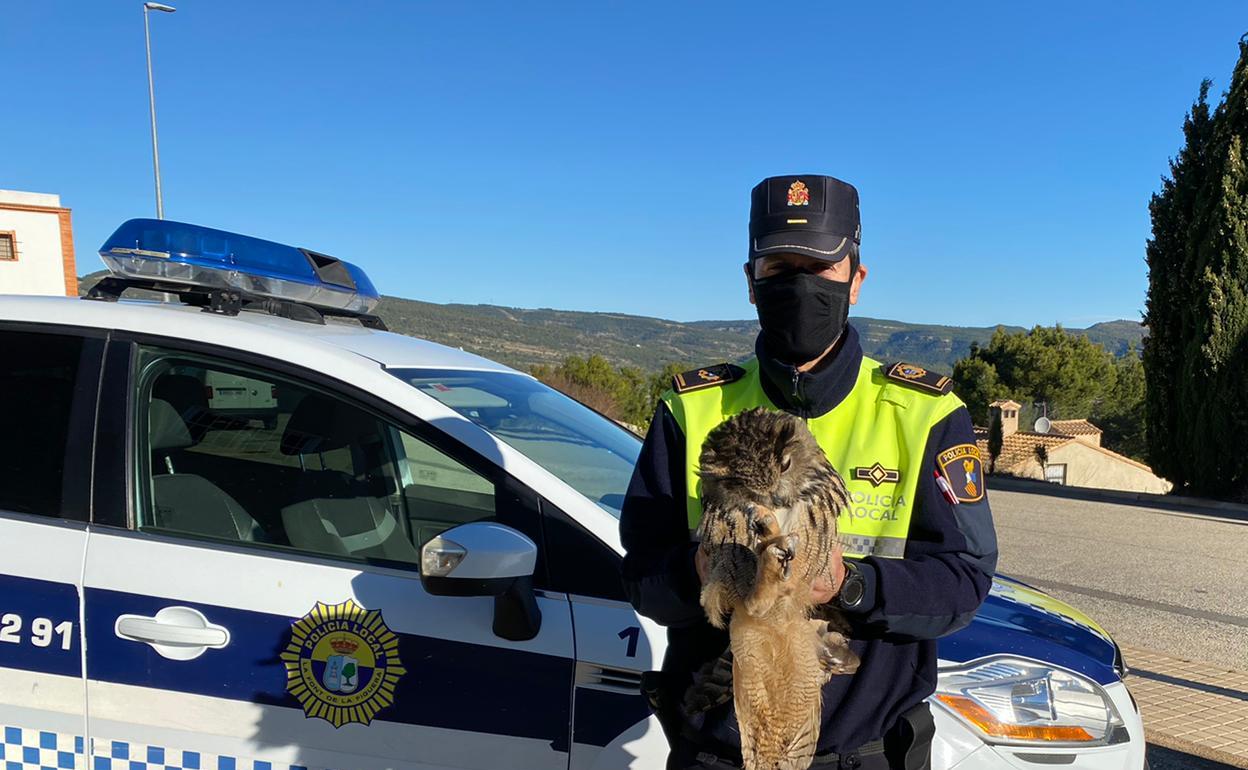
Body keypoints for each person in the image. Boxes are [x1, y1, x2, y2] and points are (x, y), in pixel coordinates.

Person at [620, 175, 998, 770]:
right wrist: (703, 569)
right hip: (718, 748)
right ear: (751, 282)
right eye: (778, 267)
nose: (798, 284)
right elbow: (641, 578)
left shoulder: (926, 413)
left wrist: (850, 584)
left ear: (857, 277)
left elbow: (962, 584)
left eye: (819, 267)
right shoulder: (689, 407)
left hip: (867, 752)